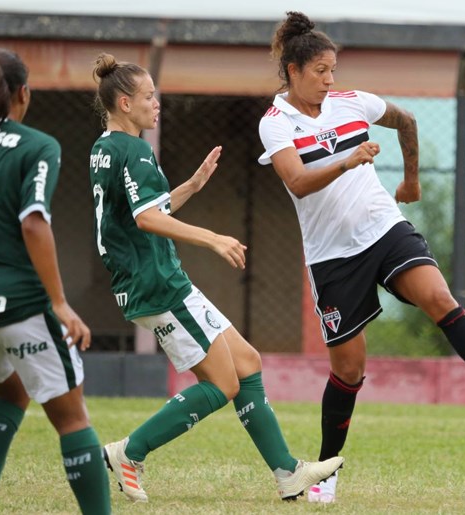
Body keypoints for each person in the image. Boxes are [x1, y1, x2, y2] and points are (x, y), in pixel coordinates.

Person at [258, 11, 465, 505]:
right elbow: (298, 183)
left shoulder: (352, 103)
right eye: (320, 70)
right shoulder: (275, 123)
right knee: (349, 369)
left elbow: (405, 119)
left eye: (333, 69)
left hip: (383, 227)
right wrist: (346, 160)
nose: (329, 80)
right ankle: (326, 472)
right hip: (332, 256)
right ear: (294, 71)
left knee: (438, 297)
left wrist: (410, 179)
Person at [89, 52, 343, 504]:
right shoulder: (135, 150)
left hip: (154, 279)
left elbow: (142, 213)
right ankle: (130, 451)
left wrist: (190, 186)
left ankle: (287, 472)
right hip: (158, 283)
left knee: (246, 363)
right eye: (149, 96)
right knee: (222, 385)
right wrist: (211, 238)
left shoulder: (104, 148)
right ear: (125, 103)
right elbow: (148, 219)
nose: (157, 103)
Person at [0, 48, 111, 514]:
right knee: (72, 419)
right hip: (20, 304)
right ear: (23, 93)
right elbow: (34, 222)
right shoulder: (36, 145)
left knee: (10, 390)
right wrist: (60, 303)